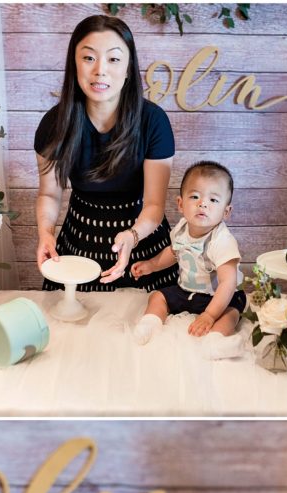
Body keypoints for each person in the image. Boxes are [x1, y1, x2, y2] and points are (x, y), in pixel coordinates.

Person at [34, 14, 178, 292]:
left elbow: (154, 206)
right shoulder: (54, 123)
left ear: (128, 68)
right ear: (74, 64)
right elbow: (49, 194)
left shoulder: (153, 121)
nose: (100, 70)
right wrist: (45, 233)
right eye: (88, 58)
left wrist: (132, 236)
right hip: (78, 238)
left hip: (143, 240)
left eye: (113, 59)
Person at [131, 160, 246, 344]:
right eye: (194, 197)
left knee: (231, 313)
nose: (202, 204)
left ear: (226, 212)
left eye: (213, 200)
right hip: (186, 291)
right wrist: (151, 265)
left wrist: (209, 314)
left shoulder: (222, 240)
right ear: (180, 204)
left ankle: (217, 340)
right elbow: (173, 252)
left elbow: (228, 282)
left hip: (219, 297)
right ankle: (150, 323)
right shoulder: (182, 228)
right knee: (157, 296)